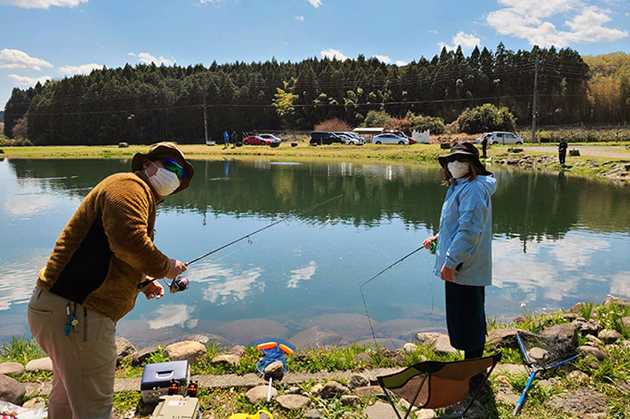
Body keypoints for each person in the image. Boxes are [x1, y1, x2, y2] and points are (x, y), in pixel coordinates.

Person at [27, 142, 194, 419]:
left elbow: (113, 250)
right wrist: (167, 267)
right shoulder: (129, 186)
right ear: (147, 164)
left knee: (66, 400)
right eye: (170, 165)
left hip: (59, 310)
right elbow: (128, 242)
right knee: (94, 408)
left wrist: (142, 281)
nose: (175, 176)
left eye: (181, 174)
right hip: (78, 314)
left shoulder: (137, 193)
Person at [423, 142, 496, 360]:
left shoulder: (473, 188)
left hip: (464, 268)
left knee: (469, 322)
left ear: (473, 164)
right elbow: (455, 225)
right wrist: (438, 239)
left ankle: (473, 374)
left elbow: (470, 230)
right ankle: (470, 370)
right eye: (451, 160)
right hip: (459, 267)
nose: (454, 164)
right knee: (464, 319)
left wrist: (451, 262)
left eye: (461, 160)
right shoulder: (460, 185)